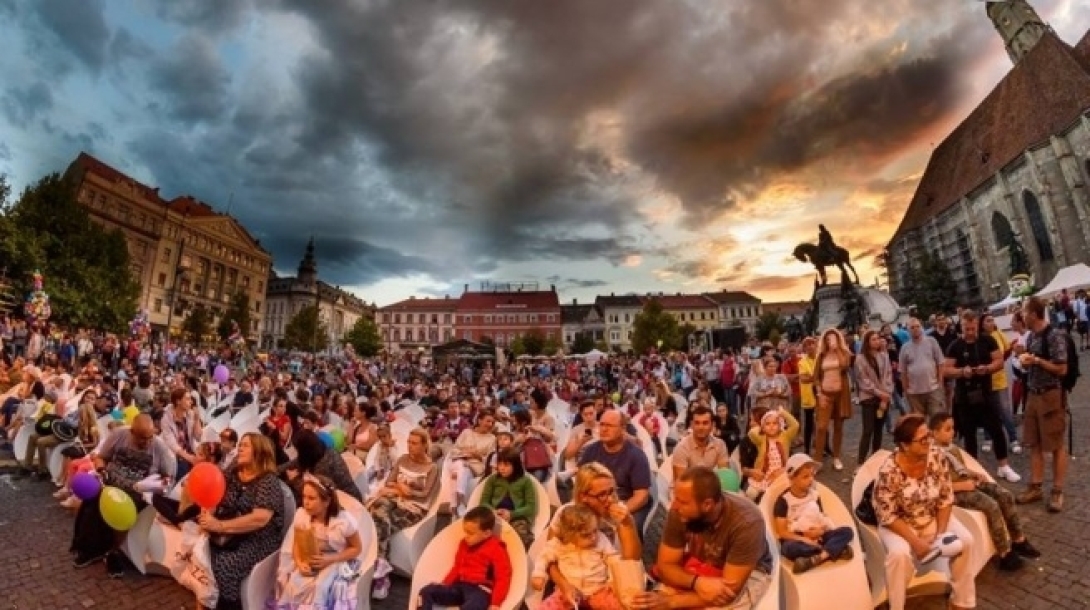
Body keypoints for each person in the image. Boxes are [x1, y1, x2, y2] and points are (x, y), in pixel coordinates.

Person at [872, 415, 977, 610]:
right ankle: (897, 606)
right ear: (905, 445)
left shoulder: (936, 456)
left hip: (930, 516)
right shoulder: (889, 471)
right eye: (922, 439)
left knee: (966, 540)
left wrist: (941, 534)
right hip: (899, 524)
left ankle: (961, 602)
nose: (929, 442)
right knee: (899, 555)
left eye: (928, 435)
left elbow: (945, 498)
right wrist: (916, 542)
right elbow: (887, 516)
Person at [632, 467, 773, 609]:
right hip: (703, 566)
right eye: (675, 498)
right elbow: (666, 566)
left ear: (707, 505)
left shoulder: (747, 523)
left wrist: (672, 602)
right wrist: (697, 582)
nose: (674, 506)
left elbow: (728, 593)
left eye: (683, 502)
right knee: (651, 602)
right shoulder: (679, 512)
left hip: (747, 572)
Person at [928, 413, 1039, 571]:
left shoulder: (951, 448)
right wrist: (962, 486)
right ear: (934, 432)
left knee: (1005, 495)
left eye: (952, 428)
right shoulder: (931, 455)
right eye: (947, 429)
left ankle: (1018, 539)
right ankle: (1004, 552)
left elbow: (959, 468)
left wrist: (973, 474)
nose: (952, 432)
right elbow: (935, 486)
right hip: (953, 492)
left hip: (967, 482)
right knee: (991, 505)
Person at [70, 414, 175, 576]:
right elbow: (101, 458)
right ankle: (90, 548)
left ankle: (114, 552)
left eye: (149, 437)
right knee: (92, 500)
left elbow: (168, 478)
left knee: (124, 511)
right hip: (110, 483)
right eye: (141, 438)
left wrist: (158, 486)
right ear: (132, 432)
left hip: (137, 493)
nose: (146, 442)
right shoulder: (119, 435)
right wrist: (101, 470)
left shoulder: (159, 448)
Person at [201, 433, 286, 610]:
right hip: (230, 530)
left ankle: (230, 605)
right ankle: (209, 599)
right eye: (240, 444)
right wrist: (208, 513)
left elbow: (259, 519)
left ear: (259, 452)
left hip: (258, 537)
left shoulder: (268, 480)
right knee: (202, 551)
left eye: (245, 445)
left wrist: (220, 526)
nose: (239, 448)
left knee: (225, 563)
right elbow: (214, 492)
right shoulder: (233, 472)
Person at [942, 311, 1020, 483]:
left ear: (977, 325)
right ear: (961, 327)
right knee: (969, 435)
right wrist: (962, 372)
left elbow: (999, 360)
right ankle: (973, 470)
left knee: (996, 430)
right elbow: (946, 370)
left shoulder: (988, 340)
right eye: (966, 329)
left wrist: (988, 368)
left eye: (973, 328)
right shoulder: (955, 345)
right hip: (964, 396)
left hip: (987, 393)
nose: (970, 332)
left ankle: (1003, 466)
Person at [270, 475, 363, 610]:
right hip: (310, 557)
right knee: (295, 583)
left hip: (336, 558)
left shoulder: (342, 521)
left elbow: (356, 548)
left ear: (326, 501)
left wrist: (331, 559)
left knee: (320, 587)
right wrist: (299, 562)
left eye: (312, 498)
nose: (306, 502)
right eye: (304, 497)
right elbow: (296, 544)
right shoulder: (302, 515)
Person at [367, 428, 439, 600]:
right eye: (408, 442)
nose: (409, 446)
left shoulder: (431, 467)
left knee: (380, 519)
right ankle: (382, 572)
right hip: (395, 498)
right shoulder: (402, 459)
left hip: (415, 507)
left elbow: (425, 494)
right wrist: (401, 488)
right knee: (380, 509)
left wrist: (403, 490)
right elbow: (390, 481)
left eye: (414, 443)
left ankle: (379, 572)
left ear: (424, 445)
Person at [1015, 296, 1069, 512]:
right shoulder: (1031, 337)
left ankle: (1057, 491)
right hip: (1033, 395)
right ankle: (1036, 487)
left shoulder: (1054, 335)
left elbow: (1062, 369)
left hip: (1051, 396)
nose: (1021, 316)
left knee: (1055, 445)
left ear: (1034, 314)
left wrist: (1036, 360)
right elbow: (1032, 366)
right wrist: (1025, 360)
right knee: (1034, 443)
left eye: (1024, 312)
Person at [417, 506, 513, 610]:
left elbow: (503, 577)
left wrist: (495, 603)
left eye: (470, 533)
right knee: (426, 591)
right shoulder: (464, 544)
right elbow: (457, 567)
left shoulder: (496, 548)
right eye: (465, 531)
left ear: (487, 533)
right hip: (459, 586)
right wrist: (445, 584)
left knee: (474, 605)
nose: (466, 536)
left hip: (480, 590)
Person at [772, 454, 854, 574]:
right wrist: (804, 539)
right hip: (797, 538)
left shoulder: (814, 495)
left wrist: (820, 531)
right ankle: (834, 550)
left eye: (812, 475)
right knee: (789, 548)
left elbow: (819, 516)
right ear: (792, 478)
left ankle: (816, 559)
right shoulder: (784, 501)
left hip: (818, 535)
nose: (811, 479)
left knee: (847, 531)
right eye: (805, 477)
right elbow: (782, 532)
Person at [532, 503, 623, 610]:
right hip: (568, 592)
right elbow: (544, 556)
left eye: (595, 530)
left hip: (599, 590)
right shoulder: (560, 544)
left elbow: (613, 558)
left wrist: (612, 581)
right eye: (586, 535)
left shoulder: (601, 540)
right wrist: (538, 574)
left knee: (620, 605)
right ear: (569, 534)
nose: (593, 537)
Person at [576, 410, 652, 533]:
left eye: (609, 425)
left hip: (627, 502)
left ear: (622, 429)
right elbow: (580, 483)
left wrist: (621, 509)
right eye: (602, 424)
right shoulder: (590, 451)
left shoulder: (636, 455)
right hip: (597, 501)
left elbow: (641, 496)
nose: (604, 429)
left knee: (632, 527)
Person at [550, 462, 642, 561]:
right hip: (572, 572)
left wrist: (628, 525)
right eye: (602, 495)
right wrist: (560, 577)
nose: (610, 499)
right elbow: (549, 554)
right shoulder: (566, 514)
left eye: (611, 491)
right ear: (583, 496)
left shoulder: (620, 515)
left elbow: (632, 561)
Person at [478, 448, 538, 549]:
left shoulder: (525, 481)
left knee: (522, 538)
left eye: (506, 465)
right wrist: (493, 511)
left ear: (515, 465)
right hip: (494, 516)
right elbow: (483, 502)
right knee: (479, 535)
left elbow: (530, 507)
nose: (501, 468)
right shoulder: (493, 479)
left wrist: (512, 514)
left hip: (517, 517)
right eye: (500, 464)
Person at [283, 429, 363, 503]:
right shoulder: (324, 451)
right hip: (340, 497)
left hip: (348, 503)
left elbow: (314, 492)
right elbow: (297, 461)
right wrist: (276, 469)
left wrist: (294, 480)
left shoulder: (323, 464)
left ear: (304, 450)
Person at [812, 329, 852, 471]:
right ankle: (817, 460)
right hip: (825, 394)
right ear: (824, 341)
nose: (830, 341)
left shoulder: (844, 353)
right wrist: (819, 394)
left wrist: (838, 350)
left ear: (838, 339)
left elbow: (845, 365)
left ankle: (836, 457)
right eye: (828, 339)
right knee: (821, 427)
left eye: (833, 338)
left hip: (841, 394)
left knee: (838, 427)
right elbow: (815, 377)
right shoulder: (821, 356)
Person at [446, 410, 497, 515]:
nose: (490, 424)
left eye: (492, 422)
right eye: (488, 421)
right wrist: (465, 453)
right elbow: (454, 450)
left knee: (463, 471)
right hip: (459, 460)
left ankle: (455, 504)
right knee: (461, 467)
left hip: (475, 466)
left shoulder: (492, 438)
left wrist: (477, 455)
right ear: (479, 420)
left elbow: (490, 458)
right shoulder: (466, 432)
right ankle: (458, 502)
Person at [854, 330, 894, 467]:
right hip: (869, 398)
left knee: (878, 430)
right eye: (873, 339)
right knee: (868, 430)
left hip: (883, 397)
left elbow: (888, 376)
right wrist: (879, 393)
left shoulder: (884, 356)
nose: (877, 341)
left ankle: (876, 458)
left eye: (878, 339)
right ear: (867, 342)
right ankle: (861, 461)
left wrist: (885, 395)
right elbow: (863, 380)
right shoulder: (860, 359)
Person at [744, 409, 799, 501]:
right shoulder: (761, 439)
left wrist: (783, 413)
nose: (771, 426)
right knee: (750, 493)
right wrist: (762, 427)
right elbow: (751, 432)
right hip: (764, 475)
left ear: (780, 425)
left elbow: (795, 425)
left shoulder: (785, 436)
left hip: (781, 474)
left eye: (775, 423)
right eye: (768, 424)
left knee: (783, 496)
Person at [899, 317, 947, 417]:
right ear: (908, 330)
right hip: (914, 393)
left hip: (933, 389)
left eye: (918, 326)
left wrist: (940, 382)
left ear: (921, 327)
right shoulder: (904, 348)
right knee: (920, 424)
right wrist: (906, 390)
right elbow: (903, 371)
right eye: (912, 327)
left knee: (936, 420)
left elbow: (940, 363)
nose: (915, 329)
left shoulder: (932, 341)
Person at [671, 406, 730, 481]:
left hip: (709, 487)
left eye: (705, 423)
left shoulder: (720, 445)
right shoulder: (681, 447)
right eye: (697, 423)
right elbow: (681, 482)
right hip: (685, 489)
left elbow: (725, 477)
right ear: (692, 425)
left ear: (712, 425)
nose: (700, 427)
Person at [161, 387, 204, 481]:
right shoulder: (166, 419)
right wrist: (189, 458)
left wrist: (197, 419)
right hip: (176, 456)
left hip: (191, 451)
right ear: (178, 401)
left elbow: (198, 437)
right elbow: (172, 444)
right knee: (184, 472)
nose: (191, 402)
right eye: (188, 399)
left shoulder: (190, 414)